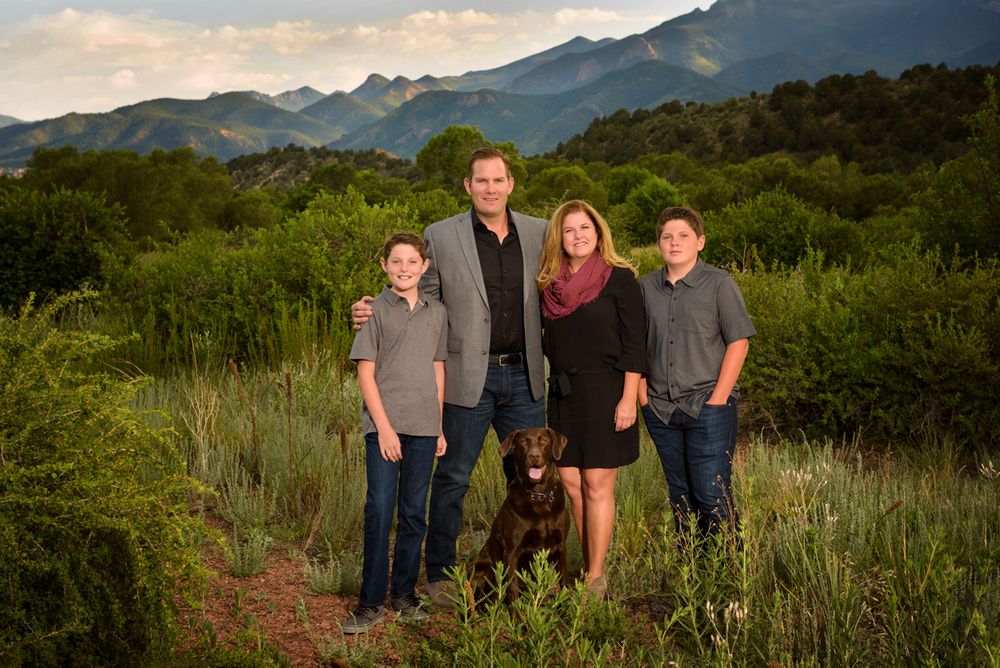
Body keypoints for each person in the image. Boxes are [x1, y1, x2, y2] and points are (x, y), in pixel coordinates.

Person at [351, 147, 547, 607]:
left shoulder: (540, 232)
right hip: (465, 376)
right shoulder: (441, 236)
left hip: (524, 375)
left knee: (531, 476)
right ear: (468, 186)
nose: (491, 188)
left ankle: (530, 574)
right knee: (453, 477)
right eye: (481, 181)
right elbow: (416, 289)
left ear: (511, 184)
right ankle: (439, 576)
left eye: (498, 180)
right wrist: (373, 305)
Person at [537, 200, 645, 599]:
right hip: (563, 393)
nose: (577, 236)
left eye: (585, 228)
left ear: (598, 233)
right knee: (570, 481)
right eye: (569, 230)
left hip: (607, 390)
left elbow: (636, 344)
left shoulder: (619, 280)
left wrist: (628, 397)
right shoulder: (548, 287)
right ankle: (588, 561)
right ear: (559, 238)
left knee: (597, 483)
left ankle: (595, 577)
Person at [342, 231, 448, 634]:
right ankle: (369, 603)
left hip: (424, 428)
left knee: (412, 514)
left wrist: (438, 425)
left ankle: (403, 596)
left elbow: (439, 369)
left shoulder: (437, 312)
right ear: (384, 266)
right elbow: (365, 373)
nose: (404, 269)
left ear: (424, 267)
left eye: (412, 262)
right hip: (384, 429)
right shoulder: (374, 311)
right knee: (380, 510)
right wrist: (384, 429)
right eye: (396, 262)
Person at [638, 206, 755, 543]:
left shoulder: (719, 284)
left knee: (711, 495)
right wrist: (644, 398)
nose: (675, 243)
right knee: (681, 496)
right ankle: (693, 572)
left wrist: (718, 400)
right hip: (661, 409)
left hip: (708, 406)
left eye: (683, 236)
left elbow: (739, 342)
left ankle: (727, 575)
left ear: (700, 242)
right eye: (667, 237)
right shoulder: (645, 288)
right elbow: (635, 347)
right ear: (659, 244)